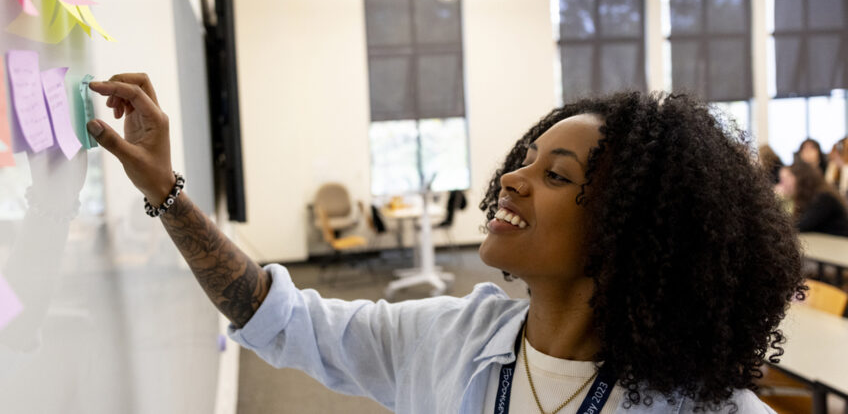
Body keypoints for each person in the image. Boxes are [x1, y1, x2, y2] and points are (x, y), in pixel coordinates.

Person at [85, 75, 803, 414]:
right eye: (525, 158)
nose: (512, 178)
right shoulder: (447, 339)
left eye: (556, 175)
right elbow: (277, 317)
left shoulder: (706, 409)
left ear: (629, 232)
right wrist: (166, 192)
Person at [777, 161, 848, 237]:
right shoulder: (808, 197)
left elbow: (801, 226)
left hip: (839, 241)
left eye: (785, 179)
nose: (783, 185)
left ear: (800, 178)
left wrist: (777, 197)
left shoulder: (824, 198)